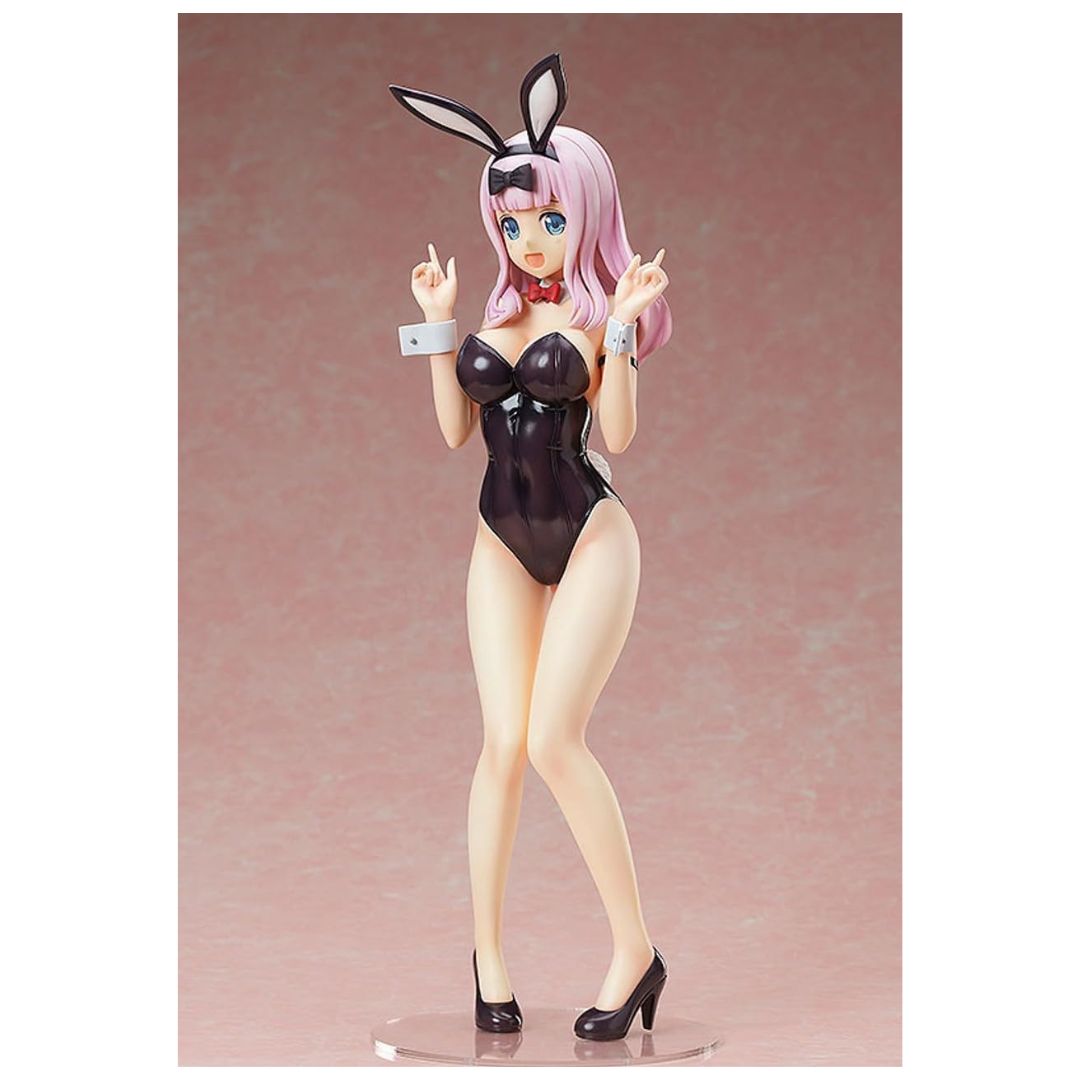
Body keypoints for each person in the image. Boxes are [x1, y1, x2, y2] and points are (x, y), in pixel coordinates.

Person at [390, 54, 673, 1041]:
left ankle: (635, 952)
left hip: (590, 531)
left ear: (585, 211)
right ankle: (489, 957)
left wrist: (624, 330)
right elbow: (453, 434)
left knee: (555, 737)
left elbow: (620, 433)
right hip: (499, 536)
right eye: (512, 223)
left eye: (549, 219)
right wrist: (437, 325)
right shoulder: (498, 314)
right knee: (502, 746)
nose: (531, 239)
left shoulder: (596, 316)